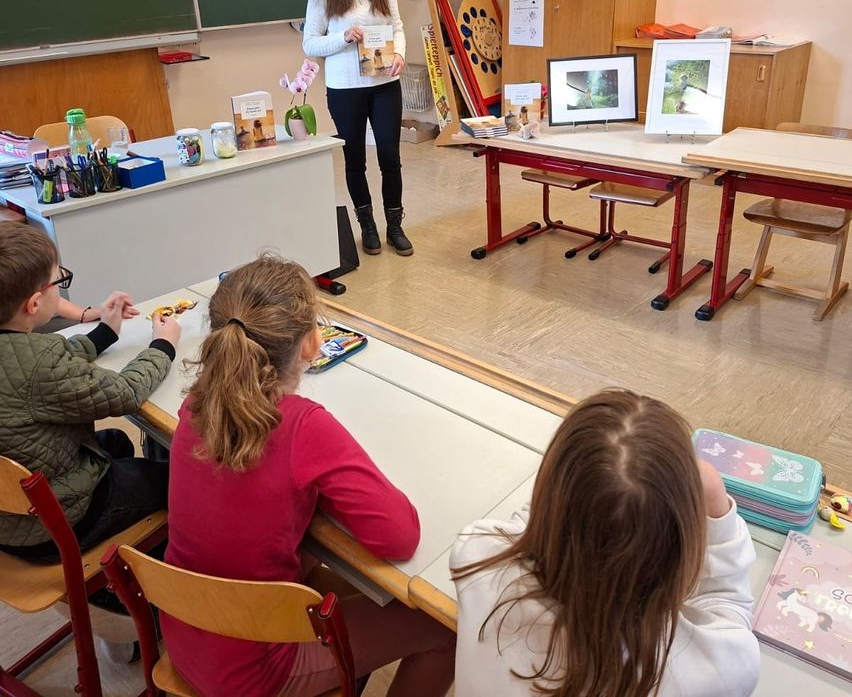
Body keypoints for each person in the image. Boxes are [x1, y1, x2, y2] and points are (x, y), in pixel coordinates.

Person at [162, 255, 455, 696]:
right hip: (254, 668)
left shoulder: (195, 405)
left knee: (336, 572)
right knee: (444, 628)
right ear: (312, 344)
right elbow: (399, 537)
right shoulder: (302, 425)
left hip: (185, 631)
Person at [451, 388, 760, 697]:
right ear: (678, 546)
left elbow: (531, 524)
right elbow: (728, 608)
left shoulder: (474, 553)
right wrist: (716, 502)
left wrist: (578, 473)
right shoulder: (720, 670)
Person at [0, 222, 181, 563]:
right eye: (58, 281)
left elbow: (39, 365)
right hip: (53, 527)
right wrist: (163, 345)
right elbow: (126, 392)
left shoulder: (23, 352)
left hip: (9, 515)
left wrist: (106, 331)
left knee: (115, 441)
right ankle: (153, 574)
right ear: (34, 303)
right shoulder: (40, 364)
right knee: (178, 479)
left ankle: (131, 541)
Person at [303, 0, 413, 257]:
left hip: (384, 83)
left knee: (389, 156)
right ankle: (366, 225)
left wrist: (400, 54)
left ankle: (394, 225)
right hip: (345, 89)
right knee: (354, 160)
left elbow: (397, 27)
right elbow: (310, 43)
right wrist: (343, 37)